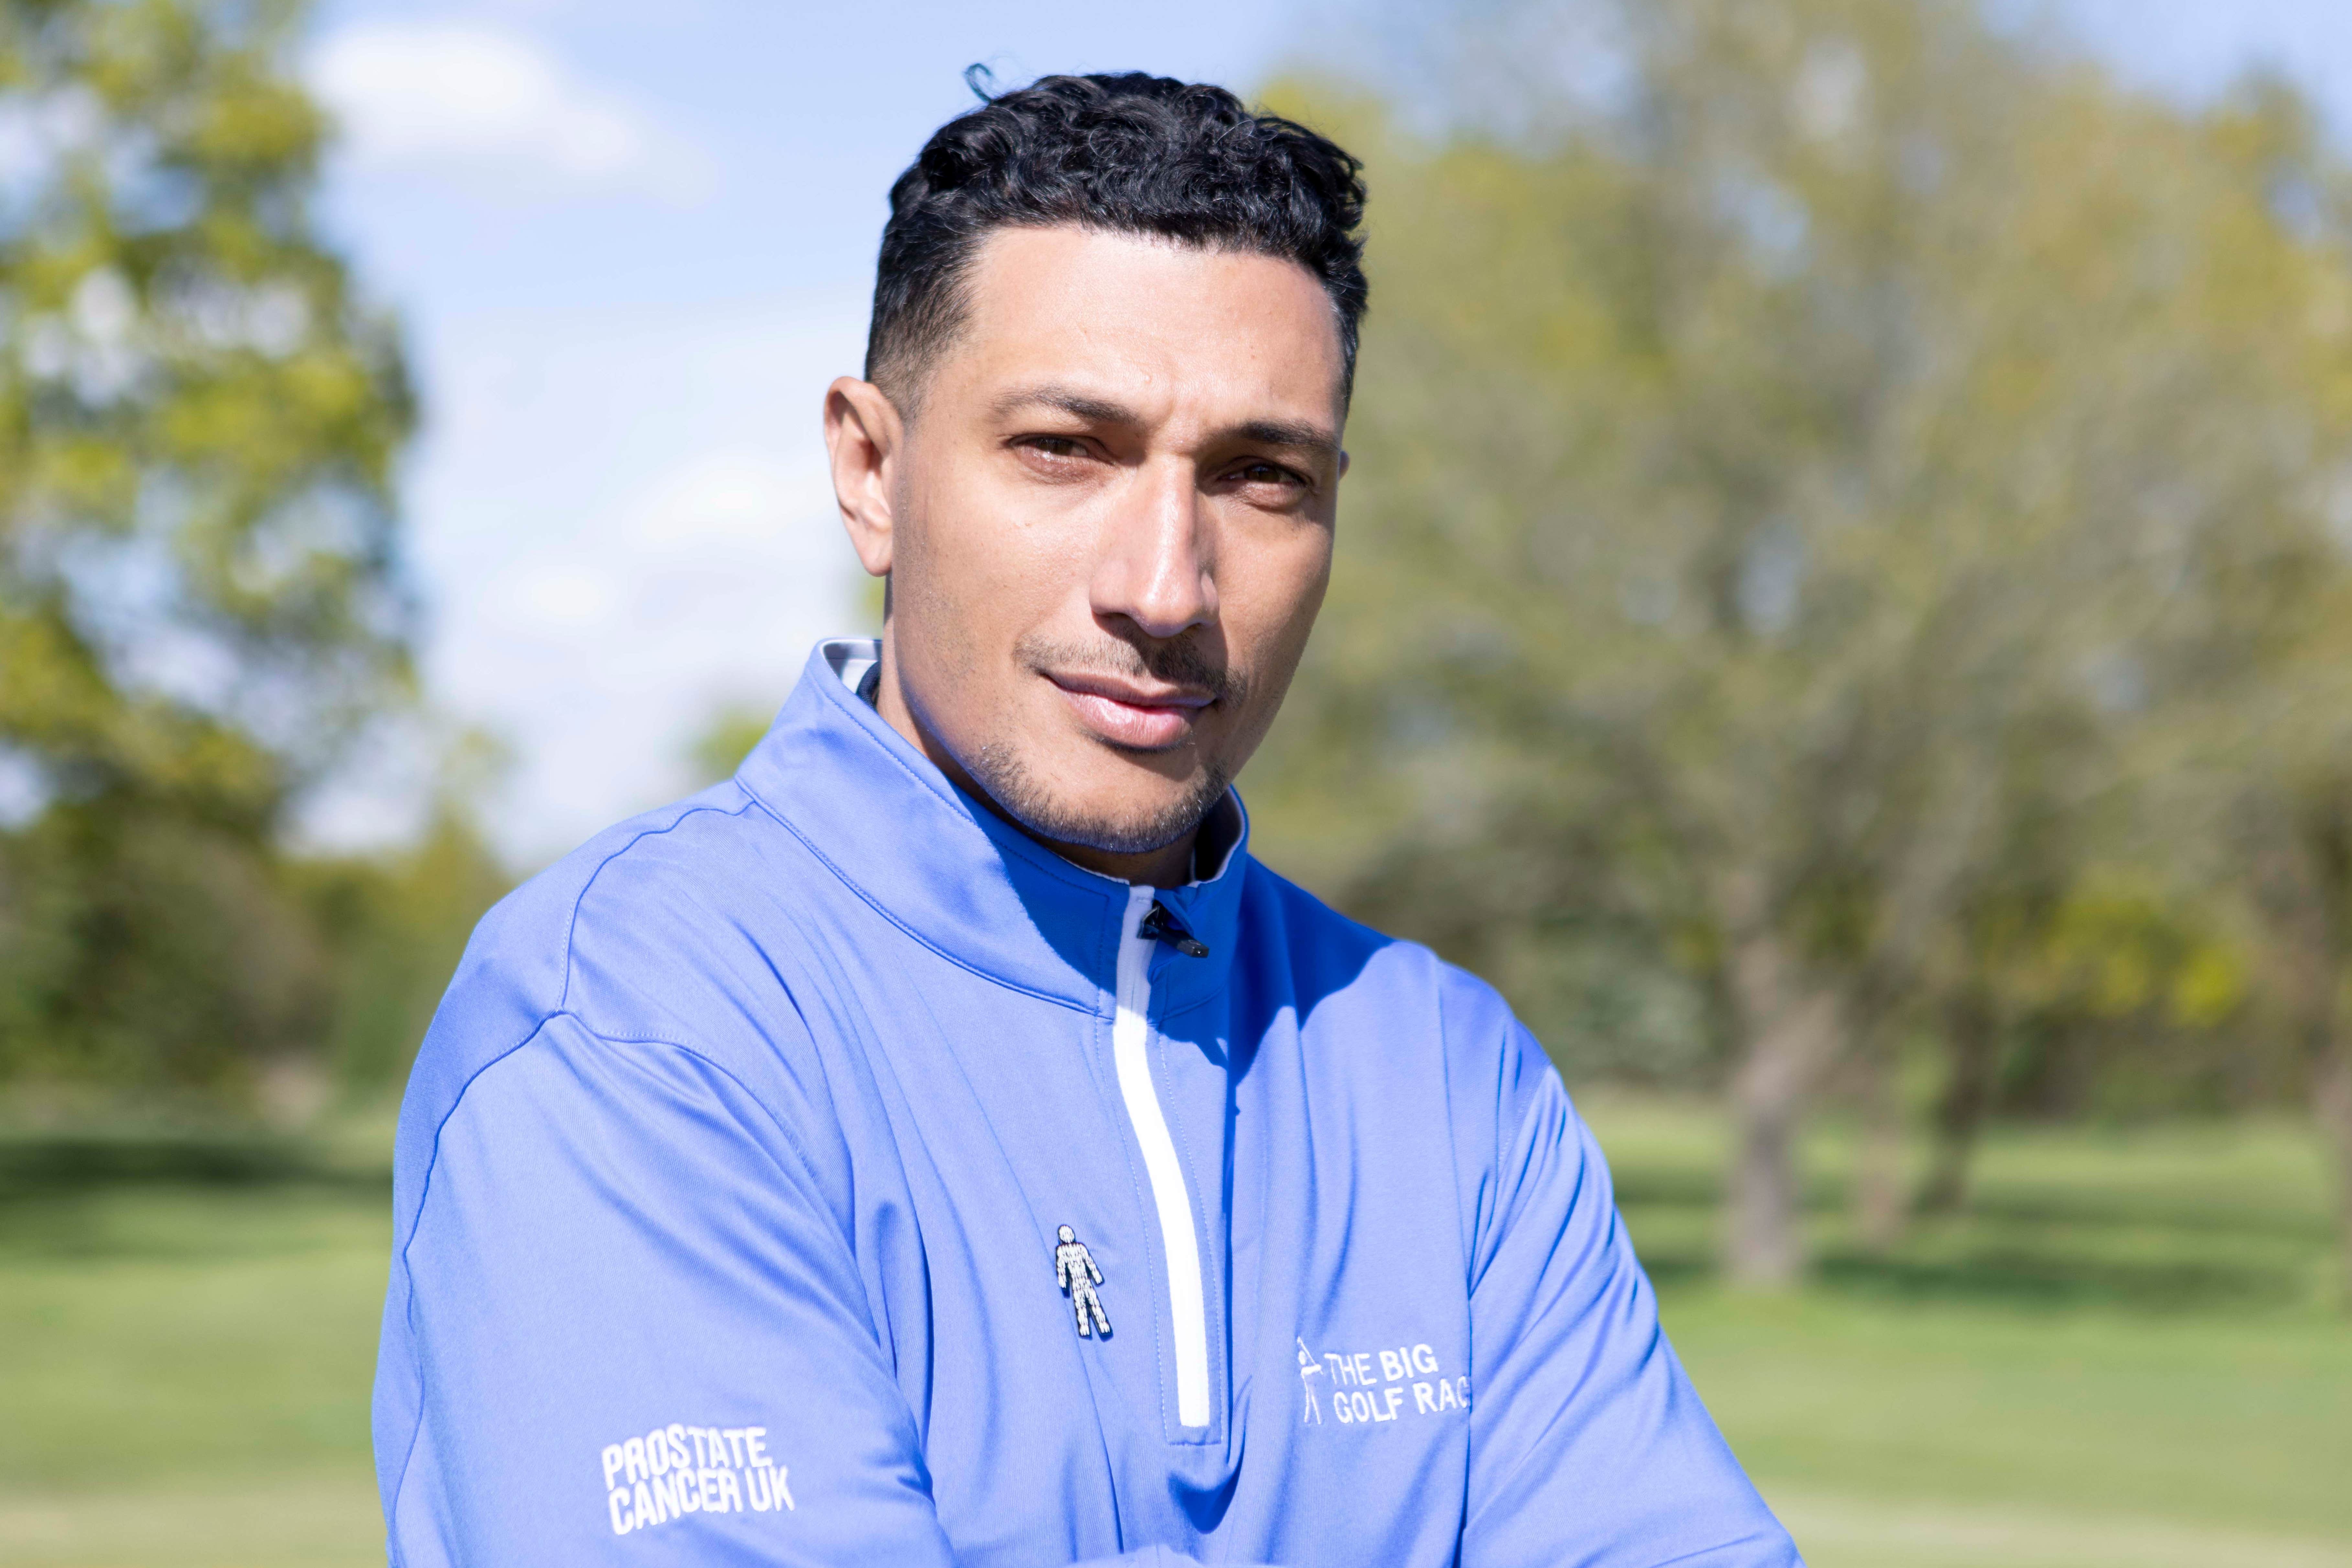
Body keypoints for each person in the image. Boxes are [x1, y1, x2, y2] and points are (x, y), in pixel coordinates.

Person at [371, 71, 1802, 1567]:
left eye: (1263, 478)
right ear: (870, 471)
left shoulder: (1446, 1076)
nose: (1167, 586)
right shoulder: (638, 1018)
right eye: (1068, 448)